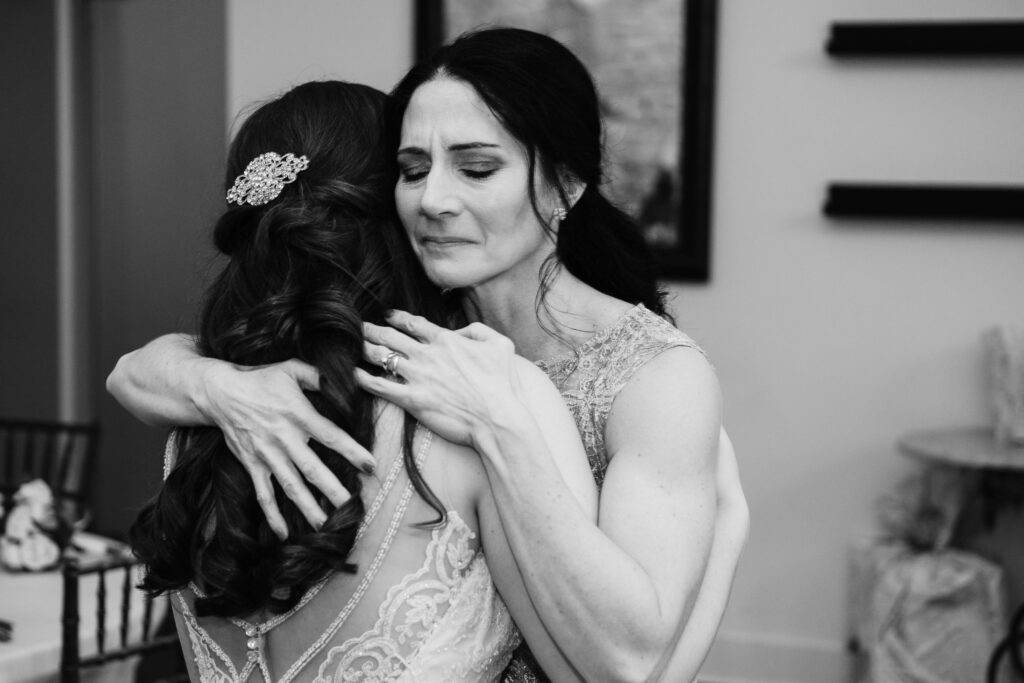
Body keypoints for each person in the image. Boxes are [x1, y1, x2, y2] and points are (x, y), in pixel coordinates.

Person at [110, 29, 749, 683]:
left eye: (475, 169)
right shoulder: (401, 329)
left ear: (565, 184)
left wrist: (505, 429)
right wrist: (214, 382)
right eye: (413, 170)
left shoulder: (654, 377)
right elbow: (135, 369)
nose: (433, 200)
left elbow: (631, 665)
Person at [127, 80, 599, 683]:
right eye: (412, 172)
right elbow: (592, 672)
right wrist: (726, 525)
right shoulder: (482, 412)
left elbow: (135, 372)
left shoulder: (198, 427)